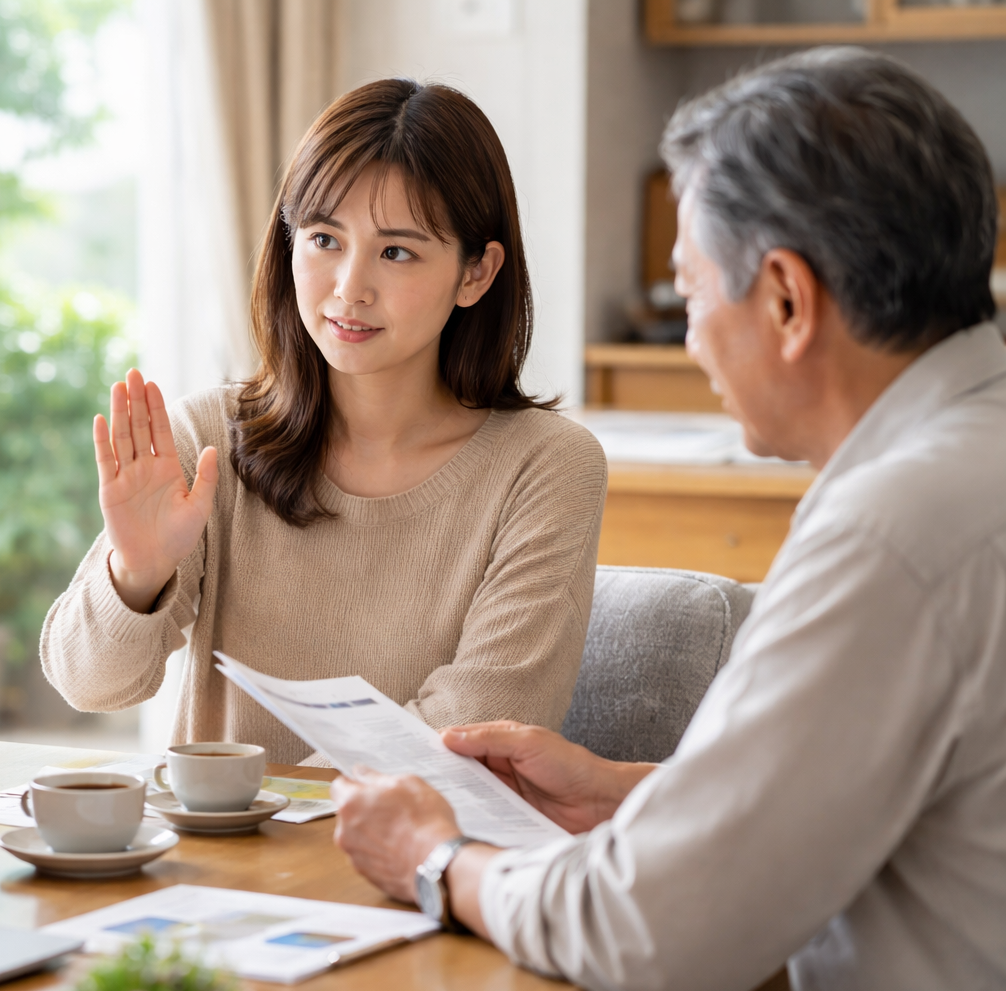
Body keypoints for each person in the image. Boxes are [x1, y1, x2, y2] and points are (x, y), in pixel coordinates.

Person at [331, 48, 1006, 991]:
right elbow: (911, 794)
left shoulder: (892, 532)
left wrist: (436, 859)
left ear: (784, 299)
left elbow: (647, 937)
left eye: (691, 295)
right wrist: (639, 795)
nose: (690, 342)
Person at [40, 80, 607, 765]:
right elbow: (89, 685)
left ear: (476, 274)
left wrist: (279, 815)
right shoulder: (210, 438)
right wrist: (136, 572)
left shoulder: (546, 466)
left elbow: (478, 726)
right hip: (218, 866)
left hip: (417, 863)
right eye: (324, 239)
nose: (348, 287)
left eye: (396, 251)